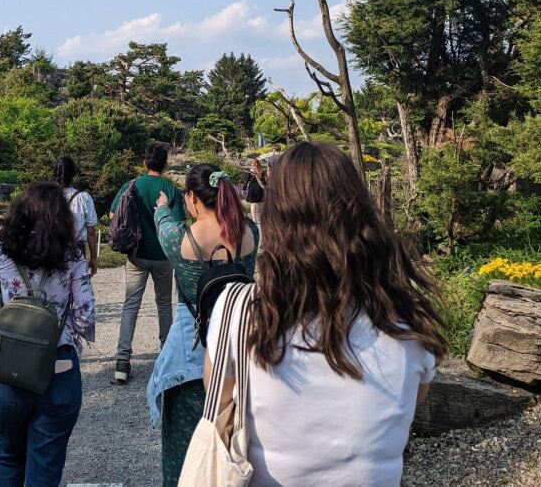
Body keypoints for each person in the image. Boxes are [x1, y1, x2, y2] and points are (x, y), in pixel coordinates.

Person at [204, 142, 446, 486]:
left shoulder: (240, 309)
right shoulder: (408, 318)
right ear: (362, 214)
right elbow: (410, 403)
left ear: (275, 217)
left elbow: (219, 405)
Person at [0, 183, 97, 487]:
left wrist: (6, 222)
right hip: (59, 370)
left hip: (9, 369)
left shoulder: (3, 257)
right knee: (45, 465)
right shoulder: (72, 258)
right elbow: (85, 317)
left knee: (9, 456)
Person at [148, 163, 259, 487]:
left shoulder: (179, 240)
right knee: (236, 442)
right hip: (240, 348)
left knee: (183, 451)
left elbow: (163, 224)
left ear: (193, 198)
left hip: (194, 352)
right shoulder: (250, 233)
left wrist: (163, 207)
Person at [110, 142, 185, 384]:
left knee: (131, 305)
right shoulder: (169, 189)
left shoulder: (131, 185)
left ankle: (122, 363)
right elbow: (177, 223)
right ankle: (165, 356)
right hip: (163, 256)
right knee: (164, 304)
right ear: (165, 164)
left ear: (145, 162)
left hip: (136, 254)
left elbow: (113, 215)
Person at [54, 156, 99, 276]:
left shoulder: (47, 196)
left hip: (52, 249)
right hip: (77, 250)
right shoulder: (83, 198)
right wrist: (94, 257)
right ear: (74, 174)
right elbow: (90, 232)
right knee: (77, 288)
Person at [245, 158, 266, 226]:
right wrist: (266, 187)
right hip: (259, 188)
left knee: (253, 205)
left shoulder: (251, 171)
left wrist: (244, 188)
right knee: (260, 205)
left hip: (253, 188)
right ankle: (260, 219)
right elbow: (263, 180)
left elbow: (247, 180)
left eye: (252, 163)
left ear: (254, 164)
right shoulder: (261, 170)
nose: (252, 164)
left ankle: (254, 219)